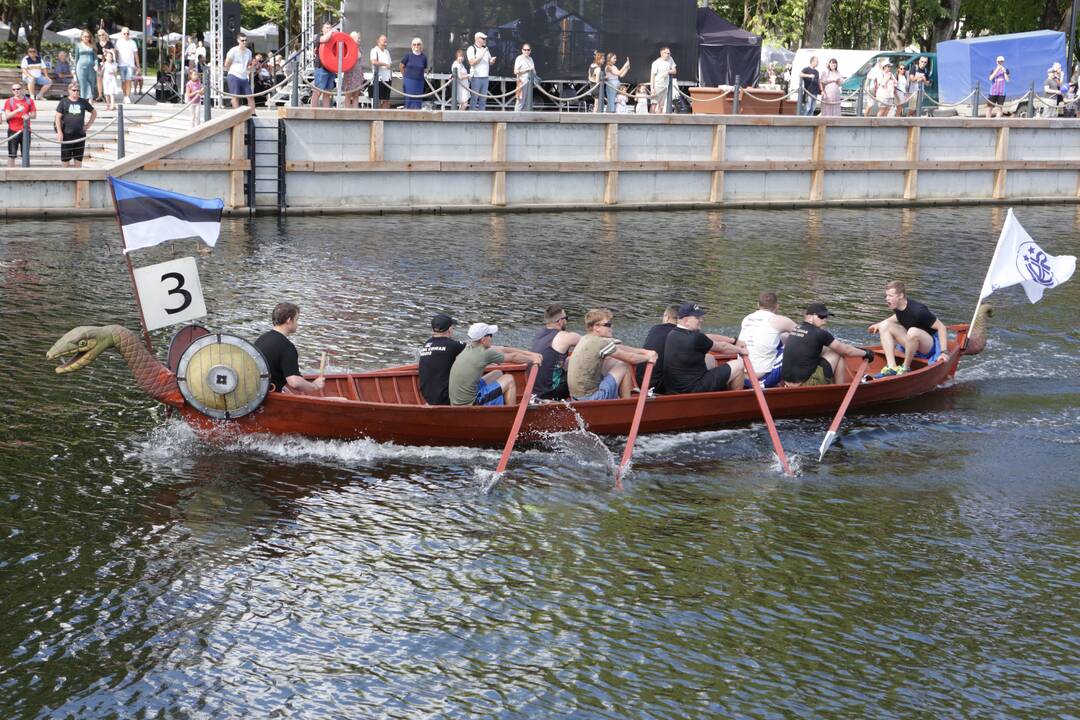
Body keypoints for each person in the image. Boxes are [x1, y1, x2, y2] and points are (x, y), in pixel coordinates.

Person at [567, 308, 657, 401]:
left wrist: (644, 351)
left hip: (575, 397)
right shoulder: (600, 343)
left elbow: (619, 347)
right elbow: (631, 358)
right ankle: (627, 403)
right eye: (608, 325)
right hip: (590, 398)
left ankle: (626, 393)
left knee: (613, 360)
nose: (611, 327)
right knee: (623, 364)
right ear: (596, 327)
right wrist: (648, 357)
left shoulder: (586, 338)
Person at [448, 322, 542, 407]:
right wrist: (533, 360)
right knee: (509, 379)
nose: (492, 338)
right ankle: (511, 415)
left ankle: (502, 401)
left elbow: (502, 349)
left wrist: (531, 354)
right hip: (470, 403)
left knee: (497, 373)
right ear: (483, 339)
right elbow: (513, 357)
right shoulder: (485, 354)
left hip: (459, 399)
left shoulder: (469, 347)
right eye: (490, 335)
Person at [868, 281, 950, 375]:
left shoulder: (919, 311)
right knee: (884, 325)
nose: (887, 299)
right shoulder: (897, 306)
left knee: (912, 331)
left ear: (901, 296)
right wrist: (879, 324)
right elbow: (899, 316)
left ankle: (905, 367)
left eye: (890, 296)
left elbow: (941, 327)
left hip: (928, 346)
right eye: (886, 295)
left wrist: (944, 352)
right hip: (912, 342)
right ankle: (892, 367)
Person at [781, 303, 873, 387]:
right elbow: (846, 350)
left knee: (829, 349)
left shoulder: (795, 329)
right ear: (810, 317)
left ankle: (835, 386)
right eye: (821, 317)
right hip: (805, 384)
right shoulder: (820, 333)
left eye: (826, 317)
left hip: (787, 383)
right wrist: (866, 353)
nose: (825, 320)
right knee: (838, 353)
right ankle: (839, 390)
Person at [663, 302, 747, 394]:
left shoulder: (672, 334)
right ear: (686, 320)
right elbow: (723, 348)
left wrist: (733, 341)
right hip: (694, 388)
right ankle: (735, 402)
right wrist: (741, 350)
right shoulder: (696, 337)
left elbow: (708, 338)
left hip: (674, 388)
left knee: (710, 358)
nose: (701, 320)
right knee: (739, 365)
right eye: (697, 318)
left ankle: (720, 390)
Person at [254, 302, 326, 394]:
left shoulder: (262, 338)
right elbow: (294, 382)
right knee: (342, 399)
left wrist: (283, 387)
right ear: (289, 320)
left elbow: (271, 370)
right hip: (269, 398)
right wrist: (315, 386)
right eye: (296, 319)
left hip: (256, 394)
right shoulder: (287, 346)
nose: (297, 324)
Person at [738, 292, 797, 389]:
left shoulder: (747, 318)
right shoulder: (780, 320)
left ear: (758, 305)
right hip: (761, 380)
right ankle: (791, 381)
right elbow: (805, 333)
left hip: (741, 376)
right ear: (777, 306)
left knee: (783, 336)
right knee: (794, 342)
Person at [530, 304, 581, 400]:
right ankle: (589, 400)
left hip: (535, 391)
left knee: (570, 360)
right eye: (566, 318)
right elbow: (590, 344)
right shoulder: (565, 336)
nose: (566, 321)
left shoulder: (538, 334)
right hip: (550, 392)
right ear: (561, 321)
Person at [418, 313, 465, 405]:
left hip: (428, 397)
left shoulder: (427, 344)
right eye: (452, 327)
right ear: (449, 329)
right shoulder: (453, 345)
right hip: (445, 398)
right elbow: (477, 350)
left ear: (433, 329)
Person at [635, 304, 680, 394]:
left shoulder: (655, 329)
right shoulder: (680, 334)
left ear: (667, 317)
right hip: (657, 386)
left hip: (640, 380)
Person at [54, 84, 95, 168]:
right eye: (74, 90)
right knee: (65, 160)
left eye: (77, 90)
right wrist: (59, 132)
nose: (76, 92)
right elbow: (57, 118)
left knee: (78, 160)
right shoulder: (64, 101)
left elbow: (94, 113)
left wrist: (88, 125)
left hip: (80, 135)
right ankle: (65, 179)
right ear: (69, 91)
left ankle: (77, 179)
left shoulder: (83, 101)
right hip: (67, 135)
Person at [4, 82, 36, 168]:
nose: (16, 91)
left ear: (22, 90)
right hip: (13, 131)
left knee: (25, 155)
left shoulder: (29, 100)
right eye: (14, 89)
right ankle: (10, 175)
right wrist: (18, 110)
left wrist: (27, 115)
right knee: (11, 154)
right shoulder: (9, 101)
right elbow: (7, 115)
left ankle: (25, 175)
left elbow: (34, 115)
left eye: (18, 89)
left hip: (25, 130)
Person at [224, 33, 254, 109]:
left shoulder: (249, 52)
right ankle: (236, 114)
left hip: (244, 77)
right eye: (242, 40)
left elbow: (248, 64)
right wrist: (231, 71)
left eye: (245, 40)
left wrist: (246, 70)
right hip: (234, 75)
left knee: (250, 96)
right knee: (235, 97)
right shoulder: (233, 51)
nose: (244, 42)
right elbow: (227, 63)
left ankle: (252, 114)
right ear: (238, 41)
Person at [466, 32, 495, 111]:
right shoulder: (471, 48)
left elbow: (490, 62)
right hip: (476, 77)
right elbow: (472, 62)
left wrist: (492, 60)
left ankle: (482, 117)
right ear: (477, 39)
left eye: (485, 38)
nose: (485, 40)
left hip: (485, 77)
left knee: (483, 99)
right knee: (474, 98)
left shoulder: (486, 48)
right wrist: (481, 56)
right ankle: (472, 117)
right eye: (483, 38)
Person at [311, 23, 336, 108]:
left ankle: (326, 111)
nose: (328, 29)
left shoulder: (333, 38)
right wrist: (332, 31)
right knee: (318, 91)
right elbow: (324, 39)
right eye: (326, 28)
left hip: (331, 68)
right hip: (321, 67)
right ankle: (313, 110)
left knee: (328, 92)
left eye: (330, 28)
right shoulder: (318, 37)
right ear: (322, 29)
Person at [400, 37, 429, 110]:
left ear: (421, 46)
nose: (416, 46)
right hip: (409, 81)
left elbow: (425, 68)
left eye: (418, 44)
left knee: (418, 99)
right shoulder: (408, 56)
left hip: (419, 82)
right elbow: (401, 66)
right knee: (408, 99)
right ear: (412, 46)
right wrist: (405, 76)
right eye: (414, 44)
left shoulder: (424, 57)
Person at [113, 27, 140, 104]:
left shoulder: (133, 42)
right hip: (121, 64)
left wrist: (138, 65)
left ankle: (127, 96)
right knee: (123, 81)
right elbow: (116, 53)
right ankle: (124, 95)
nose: (126, 35)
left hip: (130, 65)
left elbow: (136, 54)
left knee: (129, 80)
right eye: (124, 33)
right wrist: (115, 63)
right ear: (122, 34)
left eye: (127, 33)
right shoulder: (119, 42)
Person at [341, 32, 364, 108]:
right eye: (358, 38)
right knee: (348, 94)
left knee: (356, 95)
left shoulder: (359, 47)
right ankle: (346, 112)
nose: (360, 40)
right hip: (350, 73)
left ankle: (355, 112)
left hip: (358, 73)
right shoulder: (348, 47)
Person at [649, 47, 676, 113]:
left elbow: (674, 71)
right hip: (657, 85)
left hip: (665, 86)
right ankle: (650, 120)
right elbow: (652, 76)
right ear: (661, 53)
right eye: (666, 53)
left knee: (661, 105)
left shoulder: (670, 59)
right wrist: (652, 88)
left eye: (669, 53)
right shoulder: (656, 63)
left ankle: (659, 122)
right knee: (654, 104)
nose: (668, 54)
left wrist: (668, 72)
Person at [74, 30, 98, 101]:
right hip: (80, 67)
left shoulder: (92, 45)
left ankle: (90, 100)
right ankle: (83, 100)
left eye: (88, 37)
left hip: (91, 68)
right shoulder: (78, 45)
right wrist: (74, 69)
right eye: (85, 36)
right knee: (83, 84)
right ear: (81, 37)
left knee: (91, 84)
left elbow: (95, 58)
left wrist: (96, 65)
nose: (86, 38)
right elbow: (76, 58)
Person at [370, 34, 392, 110]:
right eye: (383, 40)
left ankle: (385, 117)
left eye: (386, 40)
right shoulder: (374, 50)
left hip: (387, 79)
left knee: (386, 100)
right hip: (378, 79)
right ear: (378, 41)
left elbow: (390, 64)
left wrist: (388, 66)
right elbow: (373, 61)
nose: (385, 41)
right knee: (378, 100)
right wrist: (384, 64)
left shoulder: (387, 52)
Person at [94, 30, 115, 102]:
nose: (101, 36)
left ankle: (108, 96)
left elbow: (113, 52)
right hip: (99, 63)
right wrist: (98, 55)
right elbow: (94, 53)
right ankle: (100, 95)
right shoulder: (96, 44)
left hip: (107, 64)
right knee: (99, 79)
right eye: (99, 35)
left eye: (102, 35)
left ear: (105, 35)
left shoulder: (109, 43)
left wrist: (107, 52)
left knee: (107, 79)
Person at [513, 44, 534, 112]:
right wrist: (527, 69)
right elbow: (515, 71)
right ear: (522, 50)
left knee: (527, 102)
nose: (526, 51)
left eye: (528, 50)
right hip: (522, 82)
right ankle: (515, 118)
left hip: (530, 83)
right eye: (525, 50)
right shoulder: (519, 58)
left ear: (530, 51)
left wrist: (533, 71)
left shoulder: (531, 59)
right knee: (520, 101)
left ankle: (524, 120)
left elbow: (533, 70)